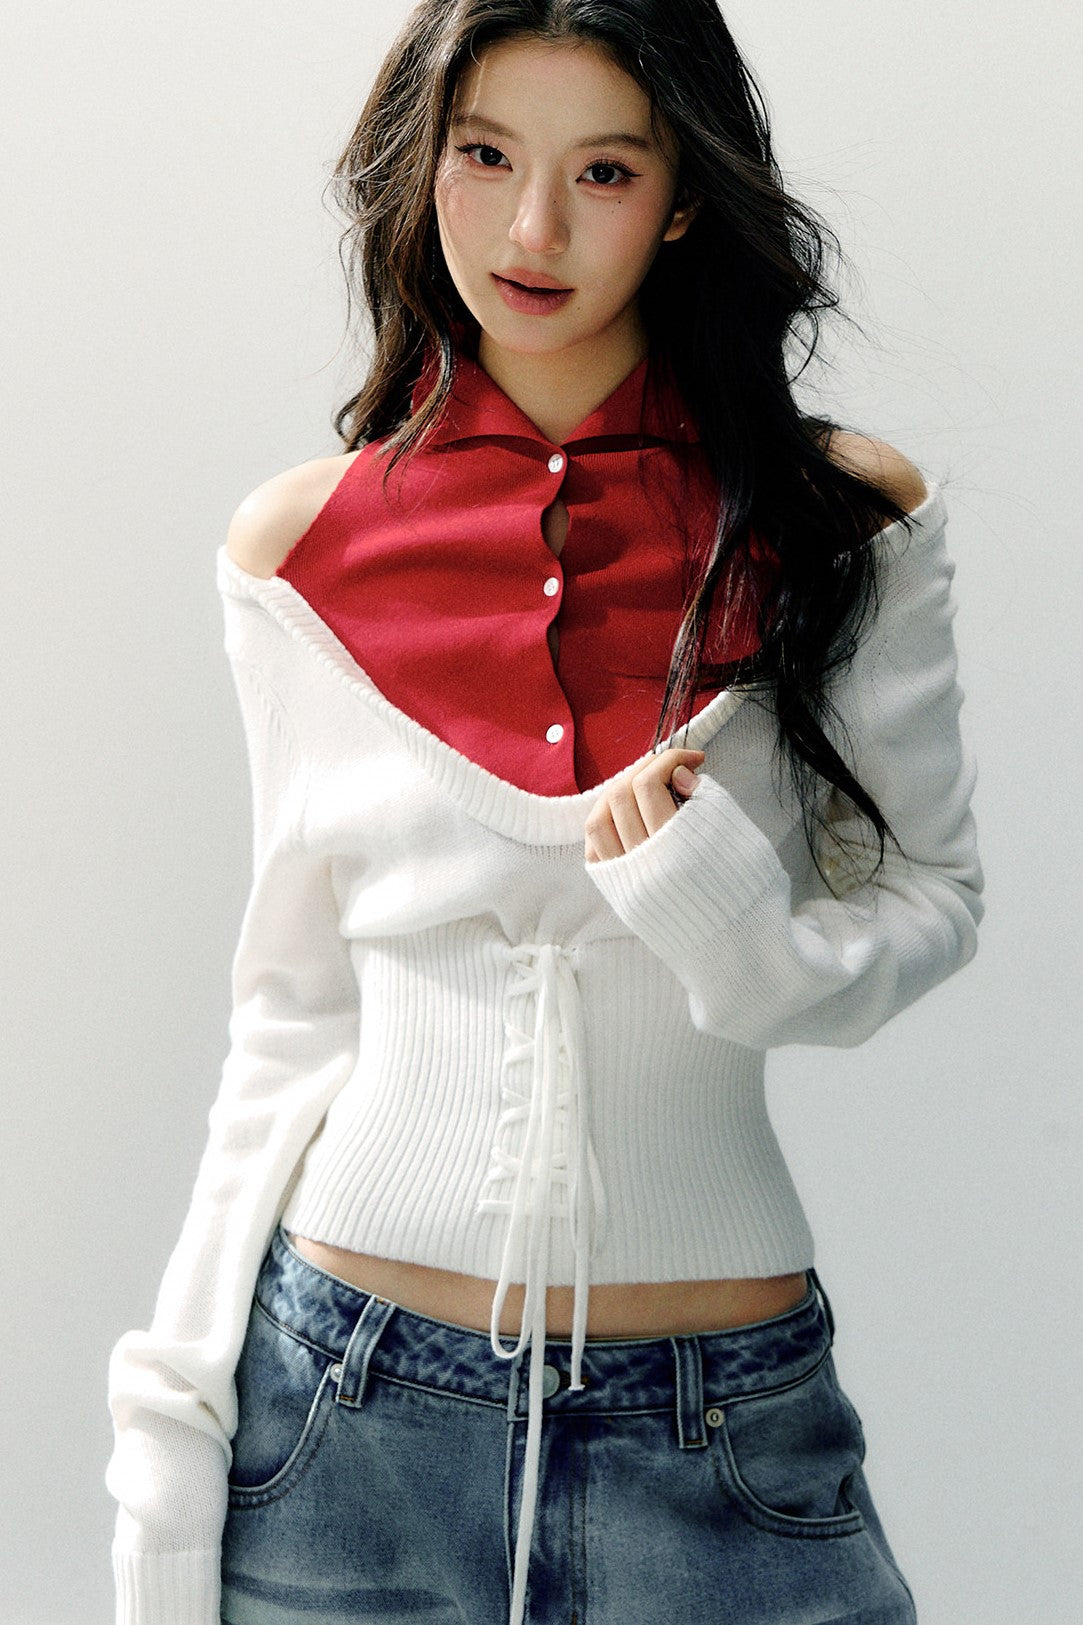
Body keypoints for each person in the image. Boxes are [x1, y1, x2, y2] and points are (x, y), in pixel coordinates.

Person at [105, 3, 983, 1622]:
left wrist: (733, 922)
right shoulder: (296, 550)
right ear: (420, 163)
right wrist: (168, 1431)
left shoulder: (840, 521)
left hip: (720, 1427)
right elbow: (288, 1017)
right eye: (486, 155)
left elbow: (933, 897)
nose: (531, 232)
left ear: (687, 198)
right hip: (341, 1416)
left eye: (604, 171)